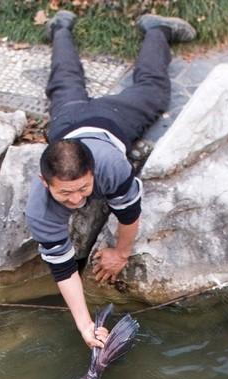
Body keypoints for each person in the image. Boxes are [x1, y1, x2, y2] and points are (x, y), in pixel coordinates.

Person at [25, 11, 196, 349]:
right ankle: (61, 26)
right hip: (67, 123)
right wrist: (85, 325)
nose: (76, 201)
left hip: (113, 119)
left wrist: (121, 251)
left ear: (93, 173)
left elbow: (129, 214)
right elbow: (62, 269)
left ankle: (156, 28)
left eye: (83, 189)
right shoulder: (39, 210)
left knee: (153, 89)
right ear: (46, 185)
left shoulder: (112, 167)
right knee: (63, 81)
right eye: (65, 194)